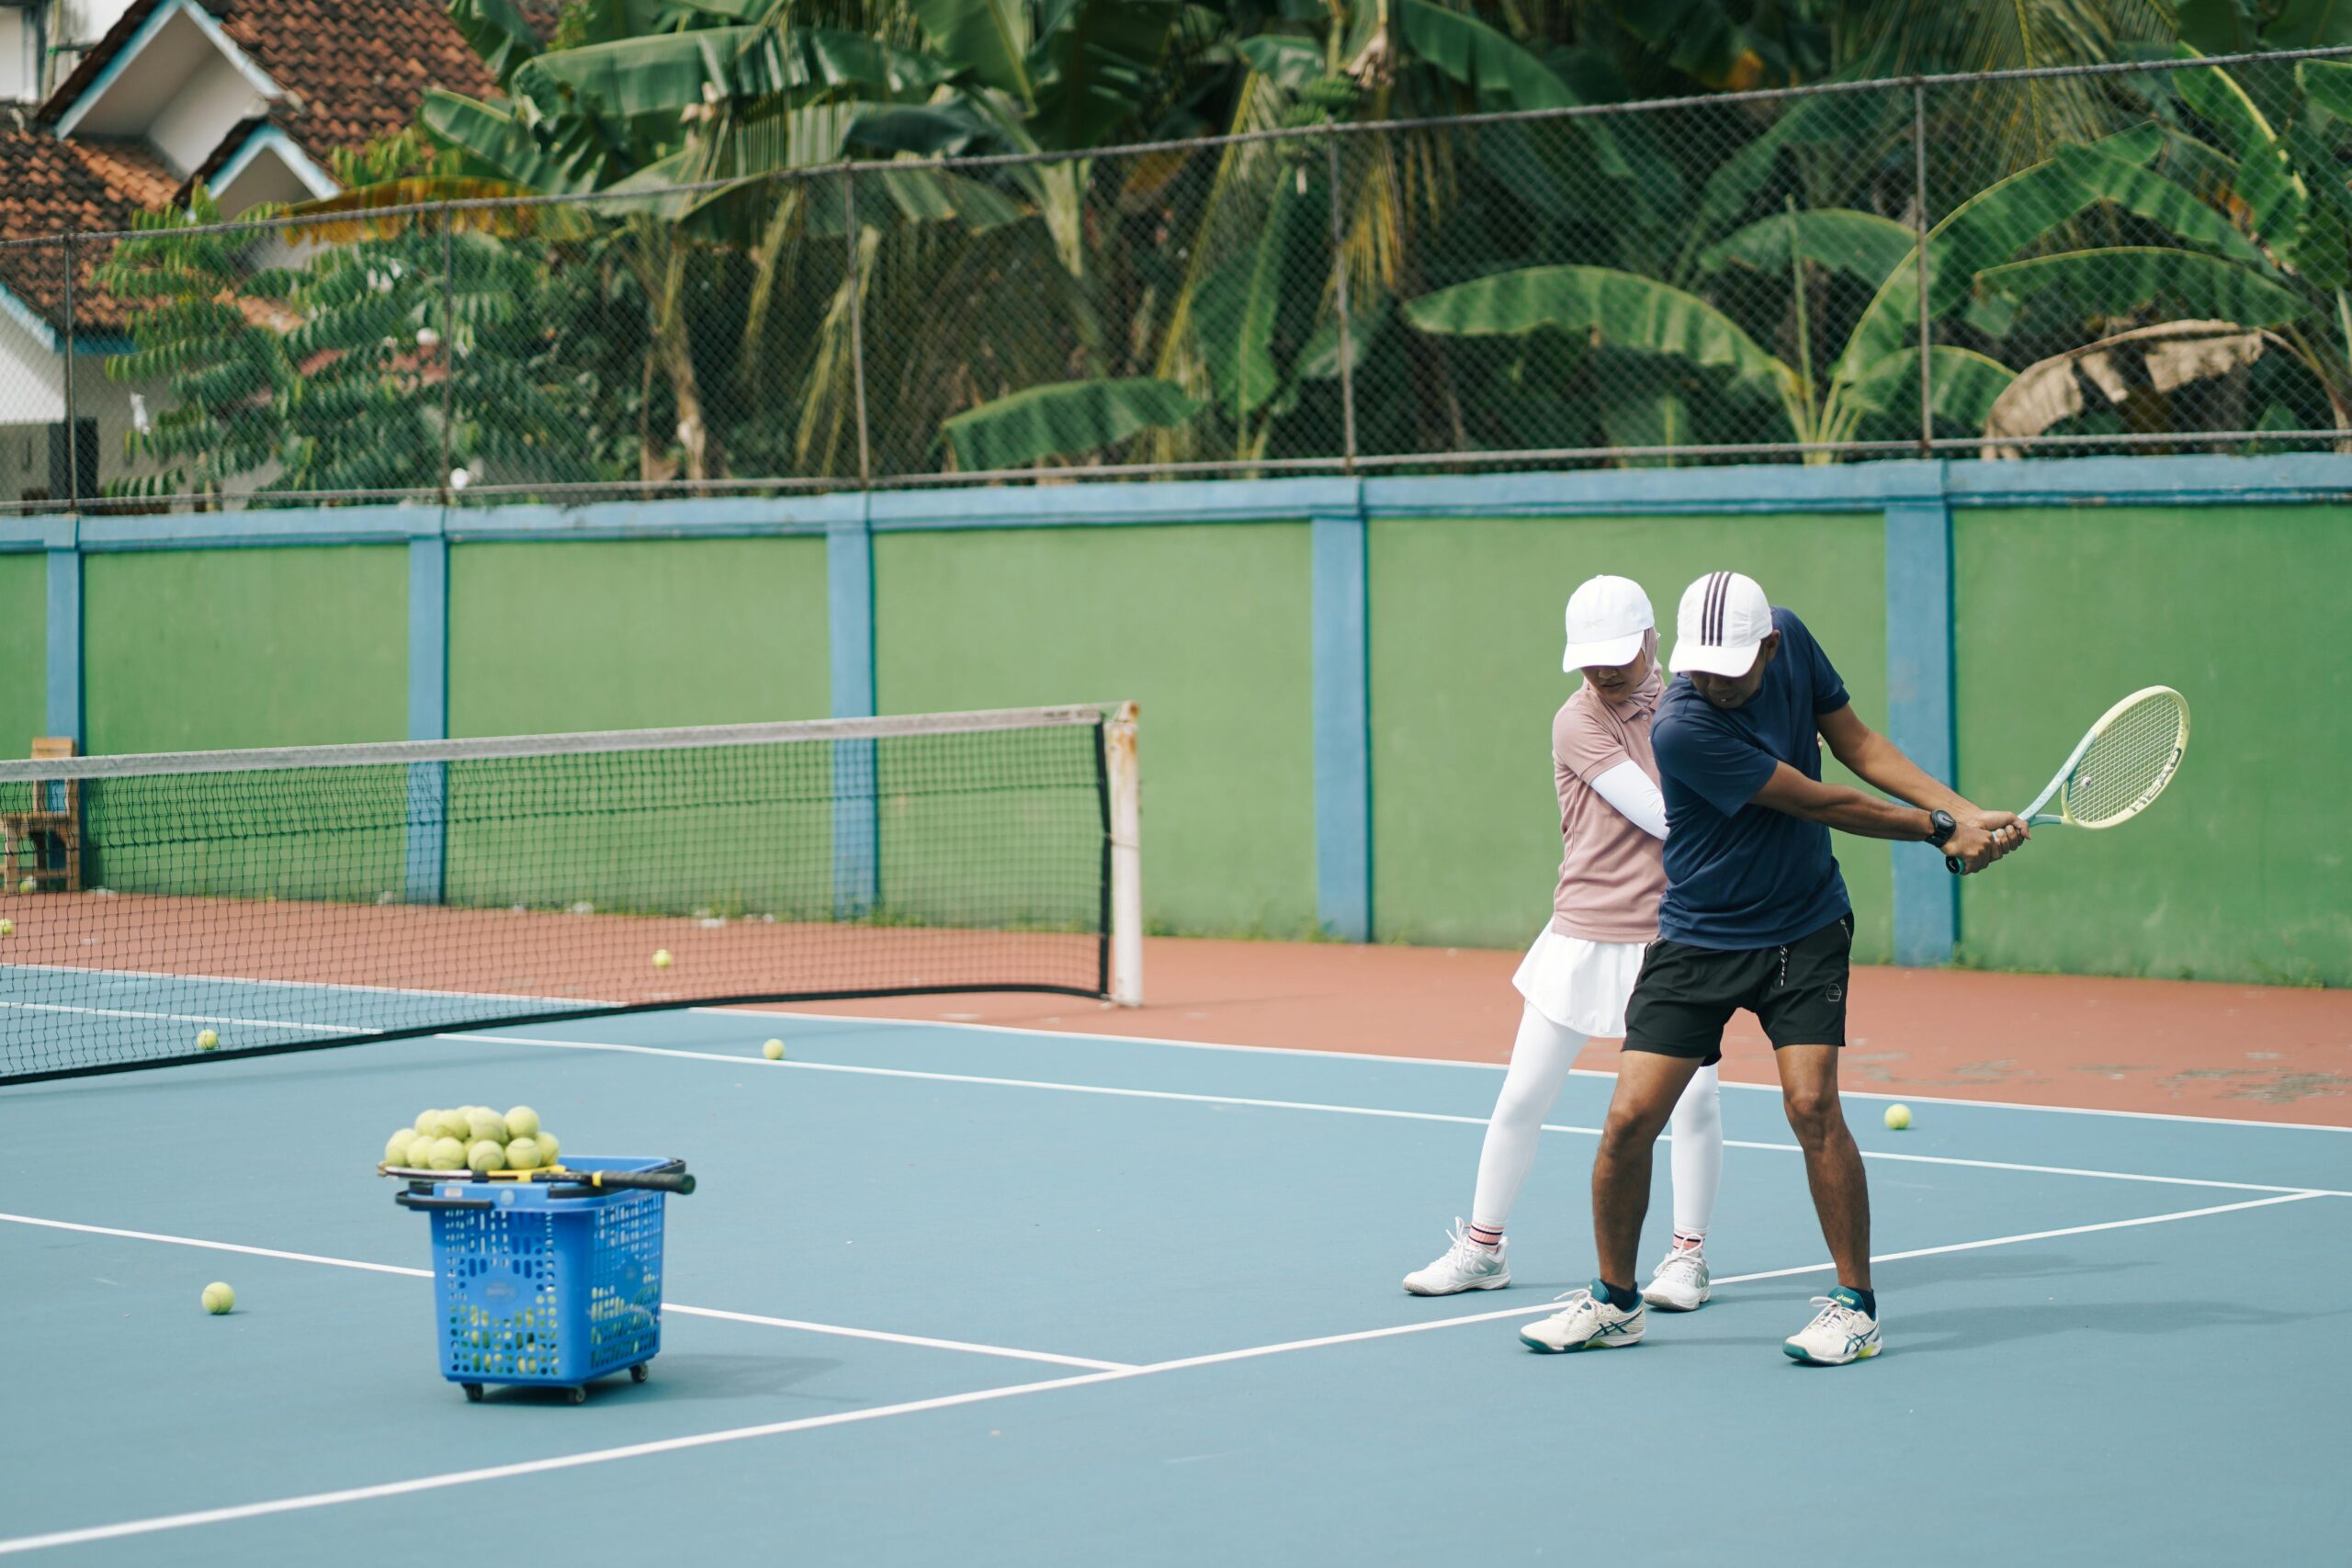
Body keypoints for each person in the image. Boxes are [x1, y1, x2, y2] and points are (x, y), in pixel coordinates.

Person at [1520, 570, 2024, 1364]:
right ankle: (1617, 1300)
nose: (1713, 682)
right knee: (1627, 1121)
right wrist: (1937, 830)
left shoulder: (1792, 641)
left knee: (1811, 1103)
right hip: (1699, 936)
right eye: (1700, 669)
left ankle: (1854, 1306)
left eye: (1731, 668)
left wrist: (1957, 810)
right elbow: (1824, 802)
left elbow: (1856, 744)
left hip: (1804, 926)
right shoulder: (1683, 725)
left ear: (1770, 647)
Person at [1405, 576, 1724, 1313]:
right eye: (1590, 660)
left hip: (1673, 937)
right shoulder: (1576, 721)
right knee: (1522, 1094)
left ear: (1652, 641)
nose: (1604, 673)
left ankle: (1687, 1258)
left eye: (1618, 656)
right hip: (1581, 932)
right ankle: (1482, 1248)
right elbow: (1665, 815)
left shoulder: (1693, 706)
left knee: (1696, 1103)